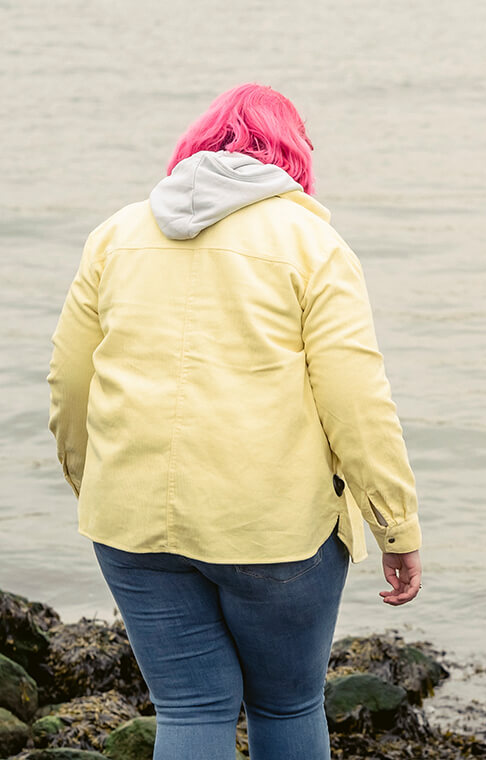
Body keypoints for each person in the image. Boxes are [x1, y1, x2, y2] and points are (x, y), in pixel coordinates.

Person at [47, 83, 422, 760]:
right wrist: (395, 523)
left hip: (130, 520)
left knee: (190, 707)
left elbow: (70, 384)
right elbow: (357, 400)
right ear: (292, 154)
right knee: (288, 703)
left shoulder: (115, 235)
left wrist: (94, 483)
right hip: (272, 532)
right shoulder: (313, 243)